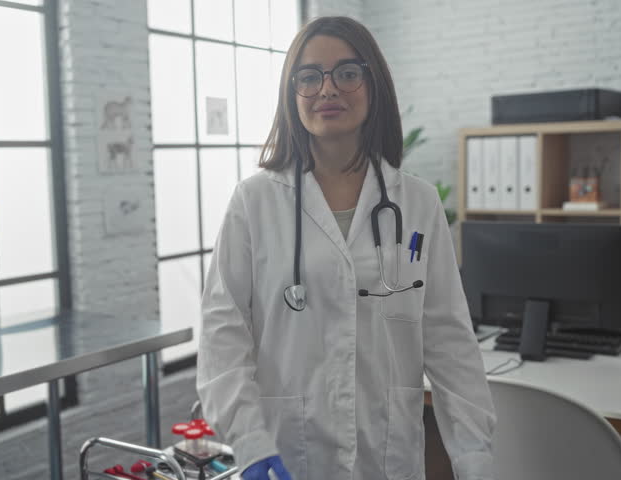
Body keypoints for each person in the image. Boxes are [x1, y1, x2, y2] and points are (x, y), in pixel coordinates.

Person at [196, 16, 495, 480]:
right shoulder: (254, 202)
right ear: (291, 94)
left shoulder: (416, 202)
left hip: (389, 454)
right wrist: (250, 444)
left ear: (373, 85)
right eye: (309, 76)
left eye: (347, 73)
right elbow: (222, 336)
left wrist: (474, 458)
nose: (327, 89)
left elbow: (449, 341)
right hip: (286, 456)